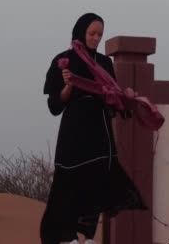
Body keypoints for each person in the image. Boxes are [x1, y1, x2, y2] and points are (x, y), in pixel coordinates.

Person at [40, 13, 147, 244]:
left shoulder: (105, 63)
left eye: (100, 34)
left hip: (100, 132)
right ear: (81, 32)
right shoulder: (64, 60)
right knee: (69, 182)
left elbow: (113, 97)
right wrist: (69, 86)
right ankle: (67, 237)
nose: (96, 38)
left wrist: (123, 97)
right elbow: (55, 105)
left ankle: (87, 236)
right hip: (74, 132)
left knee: (98, 181)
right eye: (92, 33)